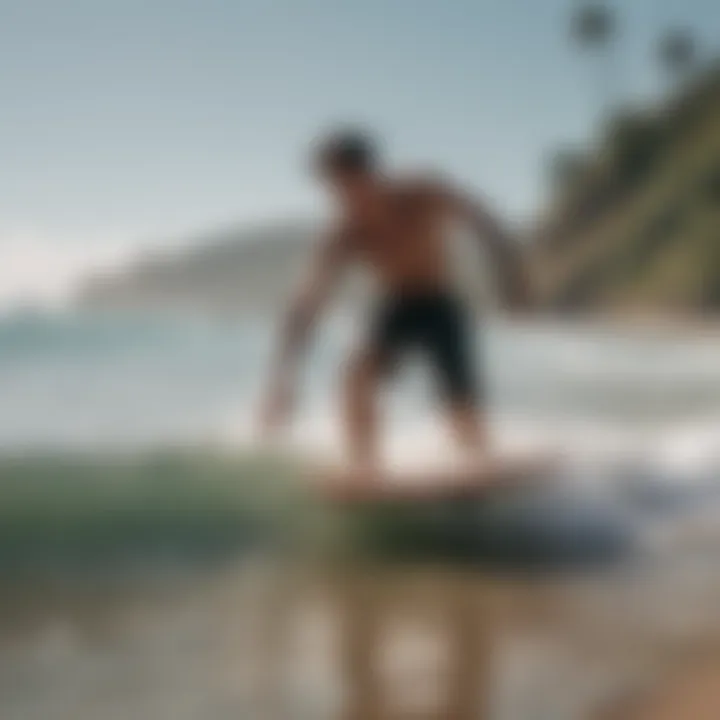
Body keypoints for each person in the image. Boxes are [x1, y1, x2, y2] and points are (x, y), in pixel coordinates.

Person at [259, 128, 532, 478]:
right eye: (334, 190)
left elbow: (486, 222)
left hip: (440, 306)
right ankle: (365, 466)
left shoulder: (424, 194)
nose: (343, 200)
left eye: (345, 186)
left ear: (368, 175)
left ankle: (480, 465)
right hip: (396, 308)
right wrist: (282, 381)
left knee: (461, 411)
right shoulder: (346, 233)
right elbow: (305, 306)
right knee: (355, 378)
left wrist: (512, 281)